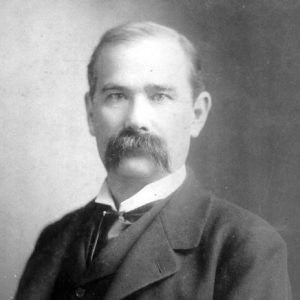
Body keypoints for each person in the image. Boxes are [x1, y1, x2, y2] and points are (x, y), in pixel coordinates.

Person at [15, 22, 292, 300]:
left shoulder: (245, 246)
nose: (136, 120)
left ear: (196, 114)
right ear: (90, 113)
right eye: (117, 96)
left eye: (159, 96)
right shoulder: (53, 240)